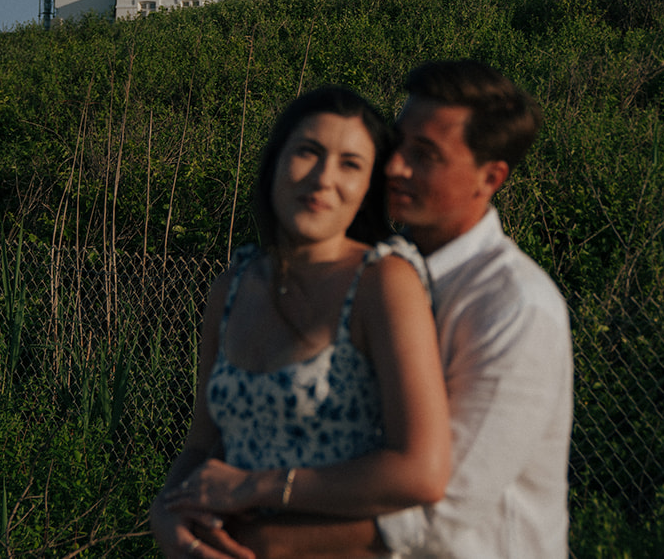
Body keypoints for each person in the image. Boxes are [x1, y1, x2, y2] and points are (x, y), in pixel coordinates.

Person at [233, 60, 573, 558]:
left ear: (489, 177)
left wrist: (259, 540)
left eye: (426, 154)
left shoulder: (514, 307)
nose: (394, 166)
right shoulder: (369, 272)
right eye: (398, 143)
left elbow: (440, 512)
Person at [149, 86, 452, 559]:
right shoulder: (231, 287)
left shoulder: (382, 283)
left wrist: (257, 487)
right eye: (307, 152)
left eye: (350, 164)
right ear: (274, 163)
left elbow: (421, 471)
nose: (323, 178)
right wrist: (167, 514)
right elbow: (201, 444)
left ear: (370, 186)